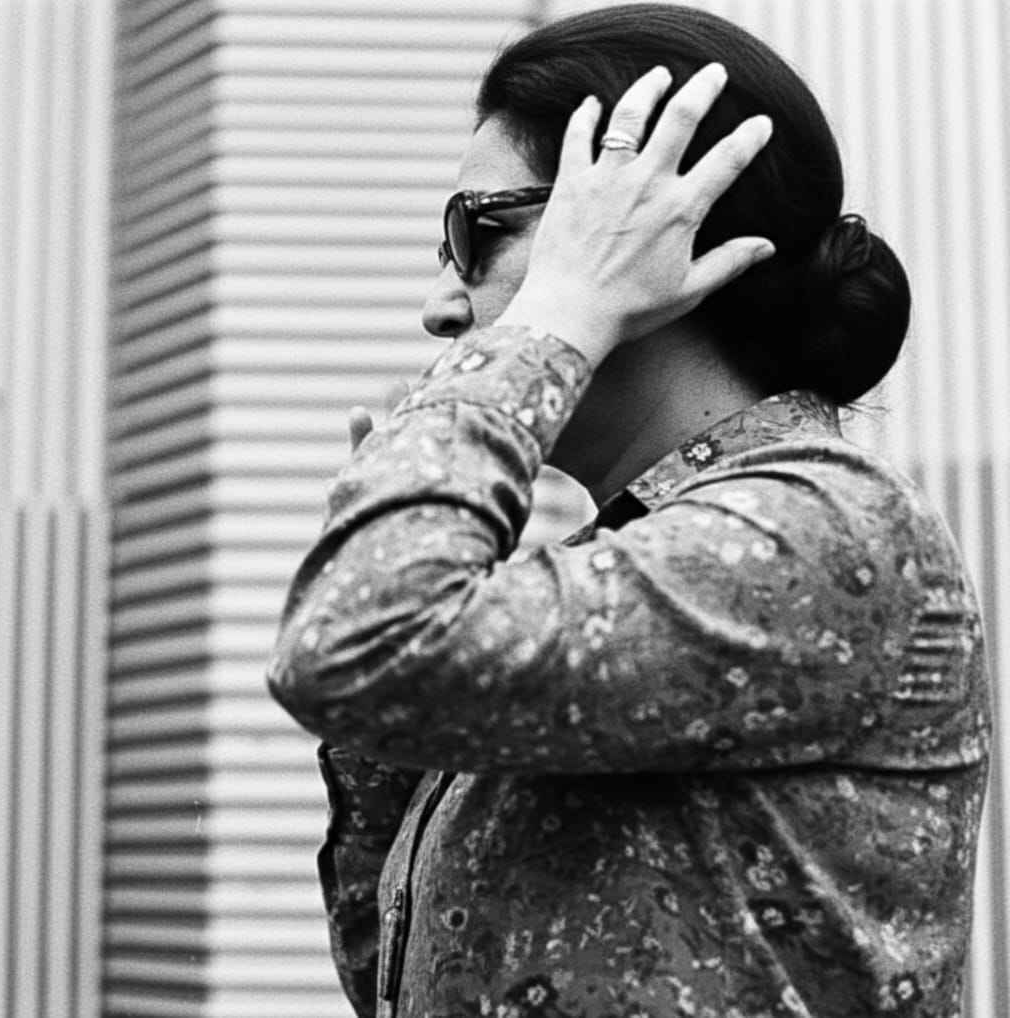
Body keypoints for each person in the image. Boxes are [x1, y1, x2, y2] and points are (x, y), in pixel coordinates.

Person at [267, 5, 991, 1017]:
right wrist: (419, 542)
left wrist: (551, 316)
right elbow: (397, 977)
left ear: (651, 228)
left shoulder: (821, 526)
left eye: (480, 232)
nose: (440, 306)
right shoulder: (626, 562)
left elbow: (346, 643)